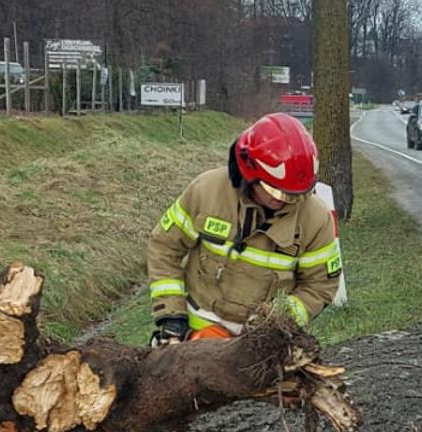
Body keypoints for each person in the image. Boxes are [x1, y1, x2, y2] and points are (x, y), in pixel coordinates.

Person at [146, 113, 342, 345]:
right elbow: (164, 247)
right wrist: (171, 315)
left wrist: (277, 320)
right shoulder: (207, 191)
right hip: (195, 331)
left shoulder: (315, 220)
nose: (286, 200)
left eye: (296, 194)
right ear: (251, 173)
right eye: (278, 192)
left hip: (263, 342)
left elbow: (320, 286)